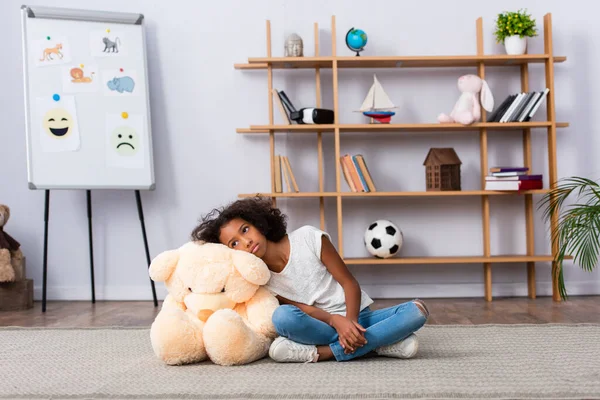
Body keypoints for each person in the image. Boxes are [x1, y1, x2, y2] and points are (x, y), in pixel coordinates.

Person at [191, 196, 429, 363]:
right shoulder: (259, 280)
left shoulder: (308, 237)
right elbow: (300, 310)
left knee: (417, 311)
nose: (245, 242)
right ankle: (377, 345)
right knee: (281, 317)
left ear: (258, 224)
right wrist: (335, 321)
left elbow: (349, 283)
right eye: (234, 244)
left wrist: (349, 321)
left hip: (356, 317)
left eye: (245, 230)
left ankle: (325, 353)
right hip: (319, 326)